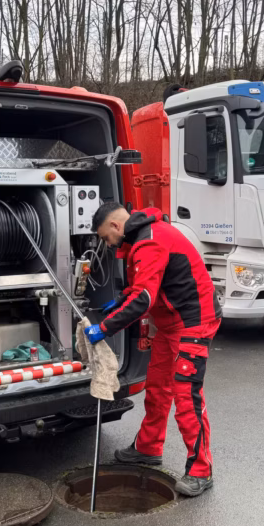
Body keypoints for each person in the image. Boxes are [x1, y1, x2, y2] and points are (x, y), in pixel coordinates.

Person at [85, 202, 222, 497]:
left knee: (186, 394)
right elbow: (142, 289)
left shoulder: (149, 242)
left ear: (114, 227)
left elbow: (143, 300)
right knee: (158, 385)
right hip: (174, 323)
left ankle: (201, 470)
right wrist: (120, 300)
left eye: (107, 239)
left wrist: (103, 328)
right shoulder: (144, 237)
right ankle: (147, 449)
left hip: (195, 322)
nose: (109, 245)